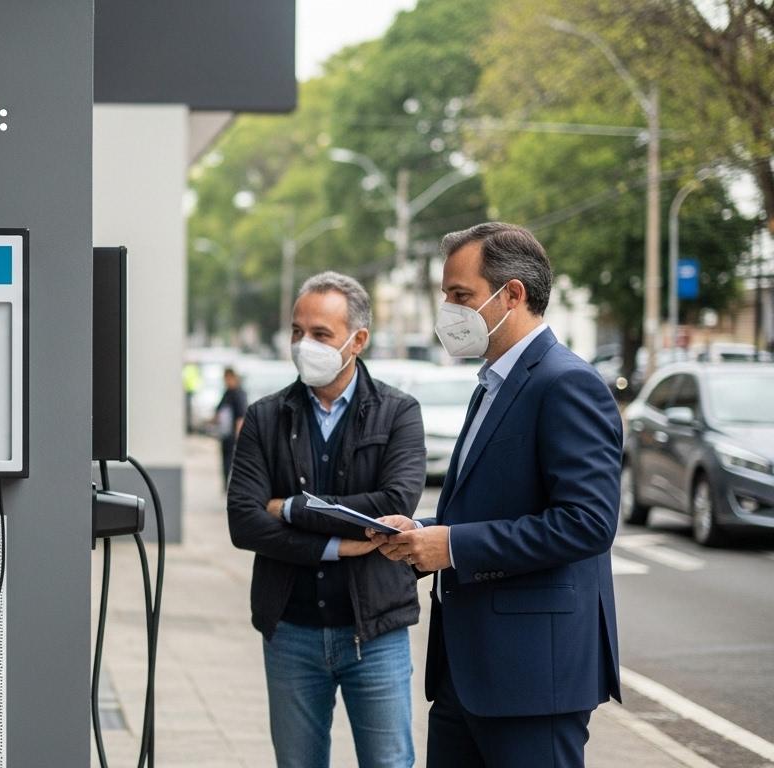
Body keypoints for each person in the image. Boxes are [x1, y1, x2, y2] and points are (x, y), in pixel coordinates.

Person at [372, 223, 622, 768]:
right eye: (446, 296)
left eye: (460, 296)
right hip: (465, 673)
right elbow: (492, 505)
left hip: (533, 679)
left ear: (513, 294)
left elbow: (588, 522)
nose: (448, 311)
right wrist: (424, 534)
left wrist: (454, 546)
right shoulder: (494, 380)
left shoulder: (566, 383)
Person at [227, 272, 426, 768]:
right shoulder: (265, 417)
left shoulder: (399, 413)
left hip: (375, 632)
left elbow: (394, 503)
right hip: (290, 630)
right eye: (297, 332)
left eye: (320, 334)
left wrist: (291, 508)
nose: (303, 345)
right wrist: (336, 544)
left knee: (390, 762)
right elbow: (244, 521)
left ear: (357, 340)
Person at [215, 367, 248, 487]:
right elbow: (218, 411)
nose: (226, 381)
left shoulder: (239, 394)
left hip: (234, 434)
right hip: (226, 433)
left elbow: (241, 416)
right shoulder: (227, 393)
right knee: (225, 461)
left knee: (232, 461)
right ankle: (226, 485)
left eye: (228, 379)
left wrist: (239, 435)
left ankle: (234, 484)